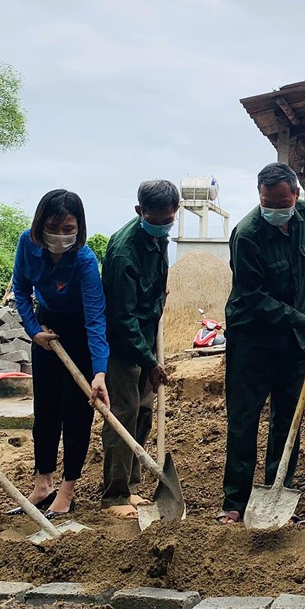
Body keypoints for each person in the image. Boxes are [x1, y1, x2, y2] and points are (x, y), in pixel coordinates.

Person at [218, 163, 305, 524]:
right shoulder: (246, 235)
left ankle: (278, 491)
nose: (274, 209)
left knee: (288, 418)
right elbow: (253, 297)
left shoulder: (304, 213)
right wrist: (304, 322)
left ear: (295, 194)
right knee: (244, 419)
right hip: (252, 337)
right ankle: (235, 502)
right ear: (259, 196)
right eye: (267, 203)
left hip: (292, 339)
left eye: (281, 203)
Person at [11, 190, 110, 519]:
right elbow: (21, 289)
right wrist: (34, 330)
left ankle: (67, 491)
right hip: (46, 331)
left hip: (79, 332)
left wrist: (99, 372)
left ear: (79, 228)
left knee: (76, 412)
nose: (61, 236)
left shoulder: (84, 260)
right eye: (53, 228)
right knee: (45, 410)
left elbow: (95, 318)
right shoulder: (27, 243)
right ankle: (43, 484)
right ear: (40, 225)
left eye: (69, 229)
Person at [100, 179, 179, 519]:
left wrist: (160, 298)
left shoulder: (159, 239)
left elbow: (154, 288)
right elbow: (123, 318)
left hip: (146, 338)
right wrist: (149, 361)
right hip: (121, 345)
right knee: (124, 412)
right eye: (155, 220)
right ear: (139, 211)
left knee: (144, 411)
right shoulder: (124, 252)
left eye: (168, 220)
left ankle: (131, 486)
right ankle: (114, 494)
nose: (162, 226)